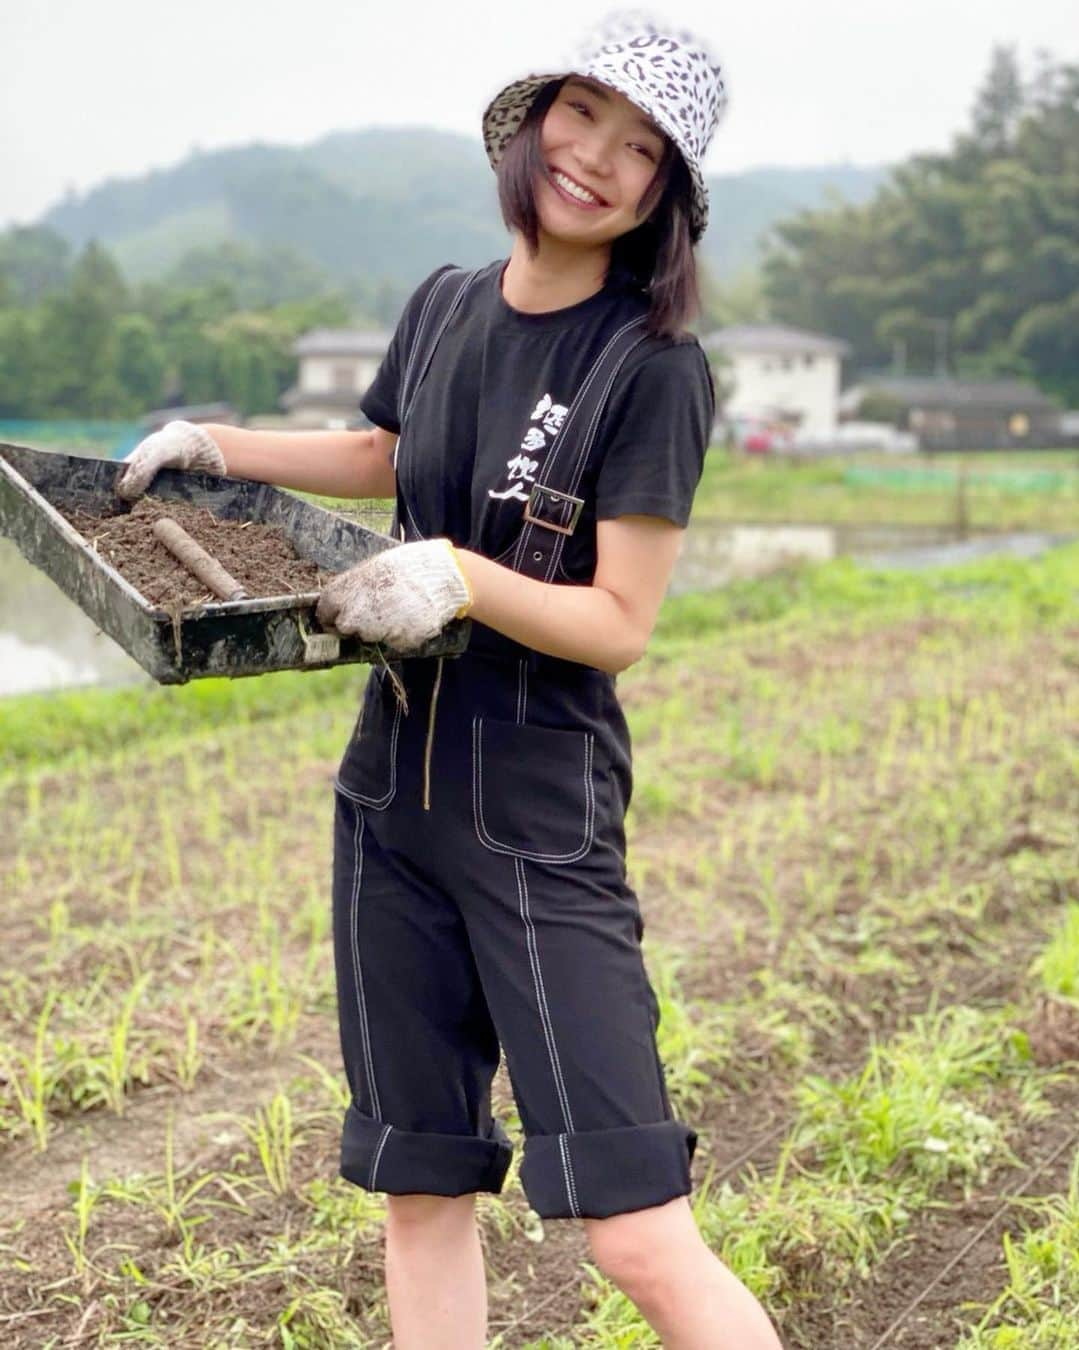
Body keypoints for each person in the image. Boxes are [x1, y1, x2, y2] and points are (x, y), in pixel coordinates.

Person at [117, 12, 784, 1348]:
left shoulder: (649, 367)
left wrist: (465, 580)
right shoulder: (442, 301)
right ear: (534, 120)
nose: (598, 156)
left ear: (664, 196)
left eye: (641, 148)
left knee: (635, 1227)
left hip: (536, 812)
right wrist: (214, 443)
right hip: (389, 803)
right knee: (419, 1186)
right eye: (584, 114)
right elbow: (381, 448)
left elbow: (620, 618)